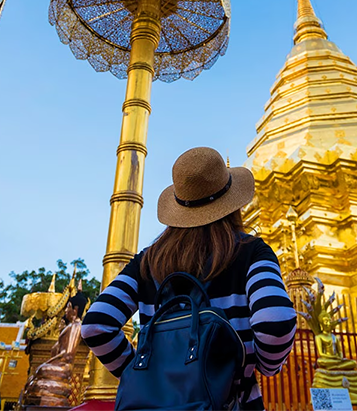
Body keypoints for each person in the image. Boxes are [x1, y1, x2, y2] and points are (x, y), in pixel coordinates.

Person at [81, 147, 297, 411]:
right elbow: (275, 321)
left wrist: (141, 376)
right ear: (233, 205)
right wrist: (264, 367)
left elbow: (96, 325)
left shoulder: (148, 261)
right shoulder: (251, 251)